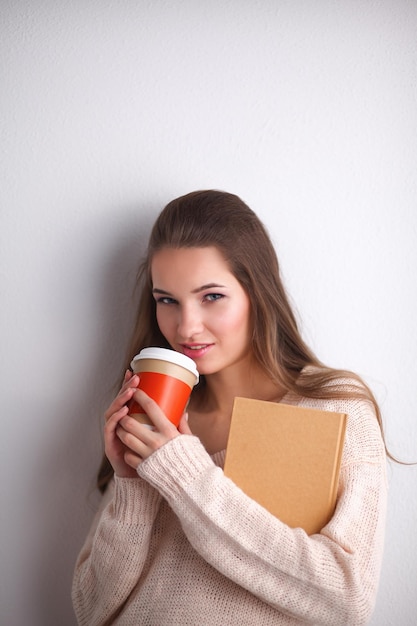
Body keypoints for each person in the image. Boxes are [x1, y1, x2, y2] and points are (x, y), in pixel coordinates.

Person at [72, 190, 387, 625]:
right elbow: (90, 610)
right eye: (167, 300)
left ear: (256, 292)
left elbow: (345, 600)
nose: (186, 327)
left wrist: (184, 475)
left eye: (212, 297)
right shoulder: (160, 421)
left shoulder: (330, 409)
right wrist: (134, 484)